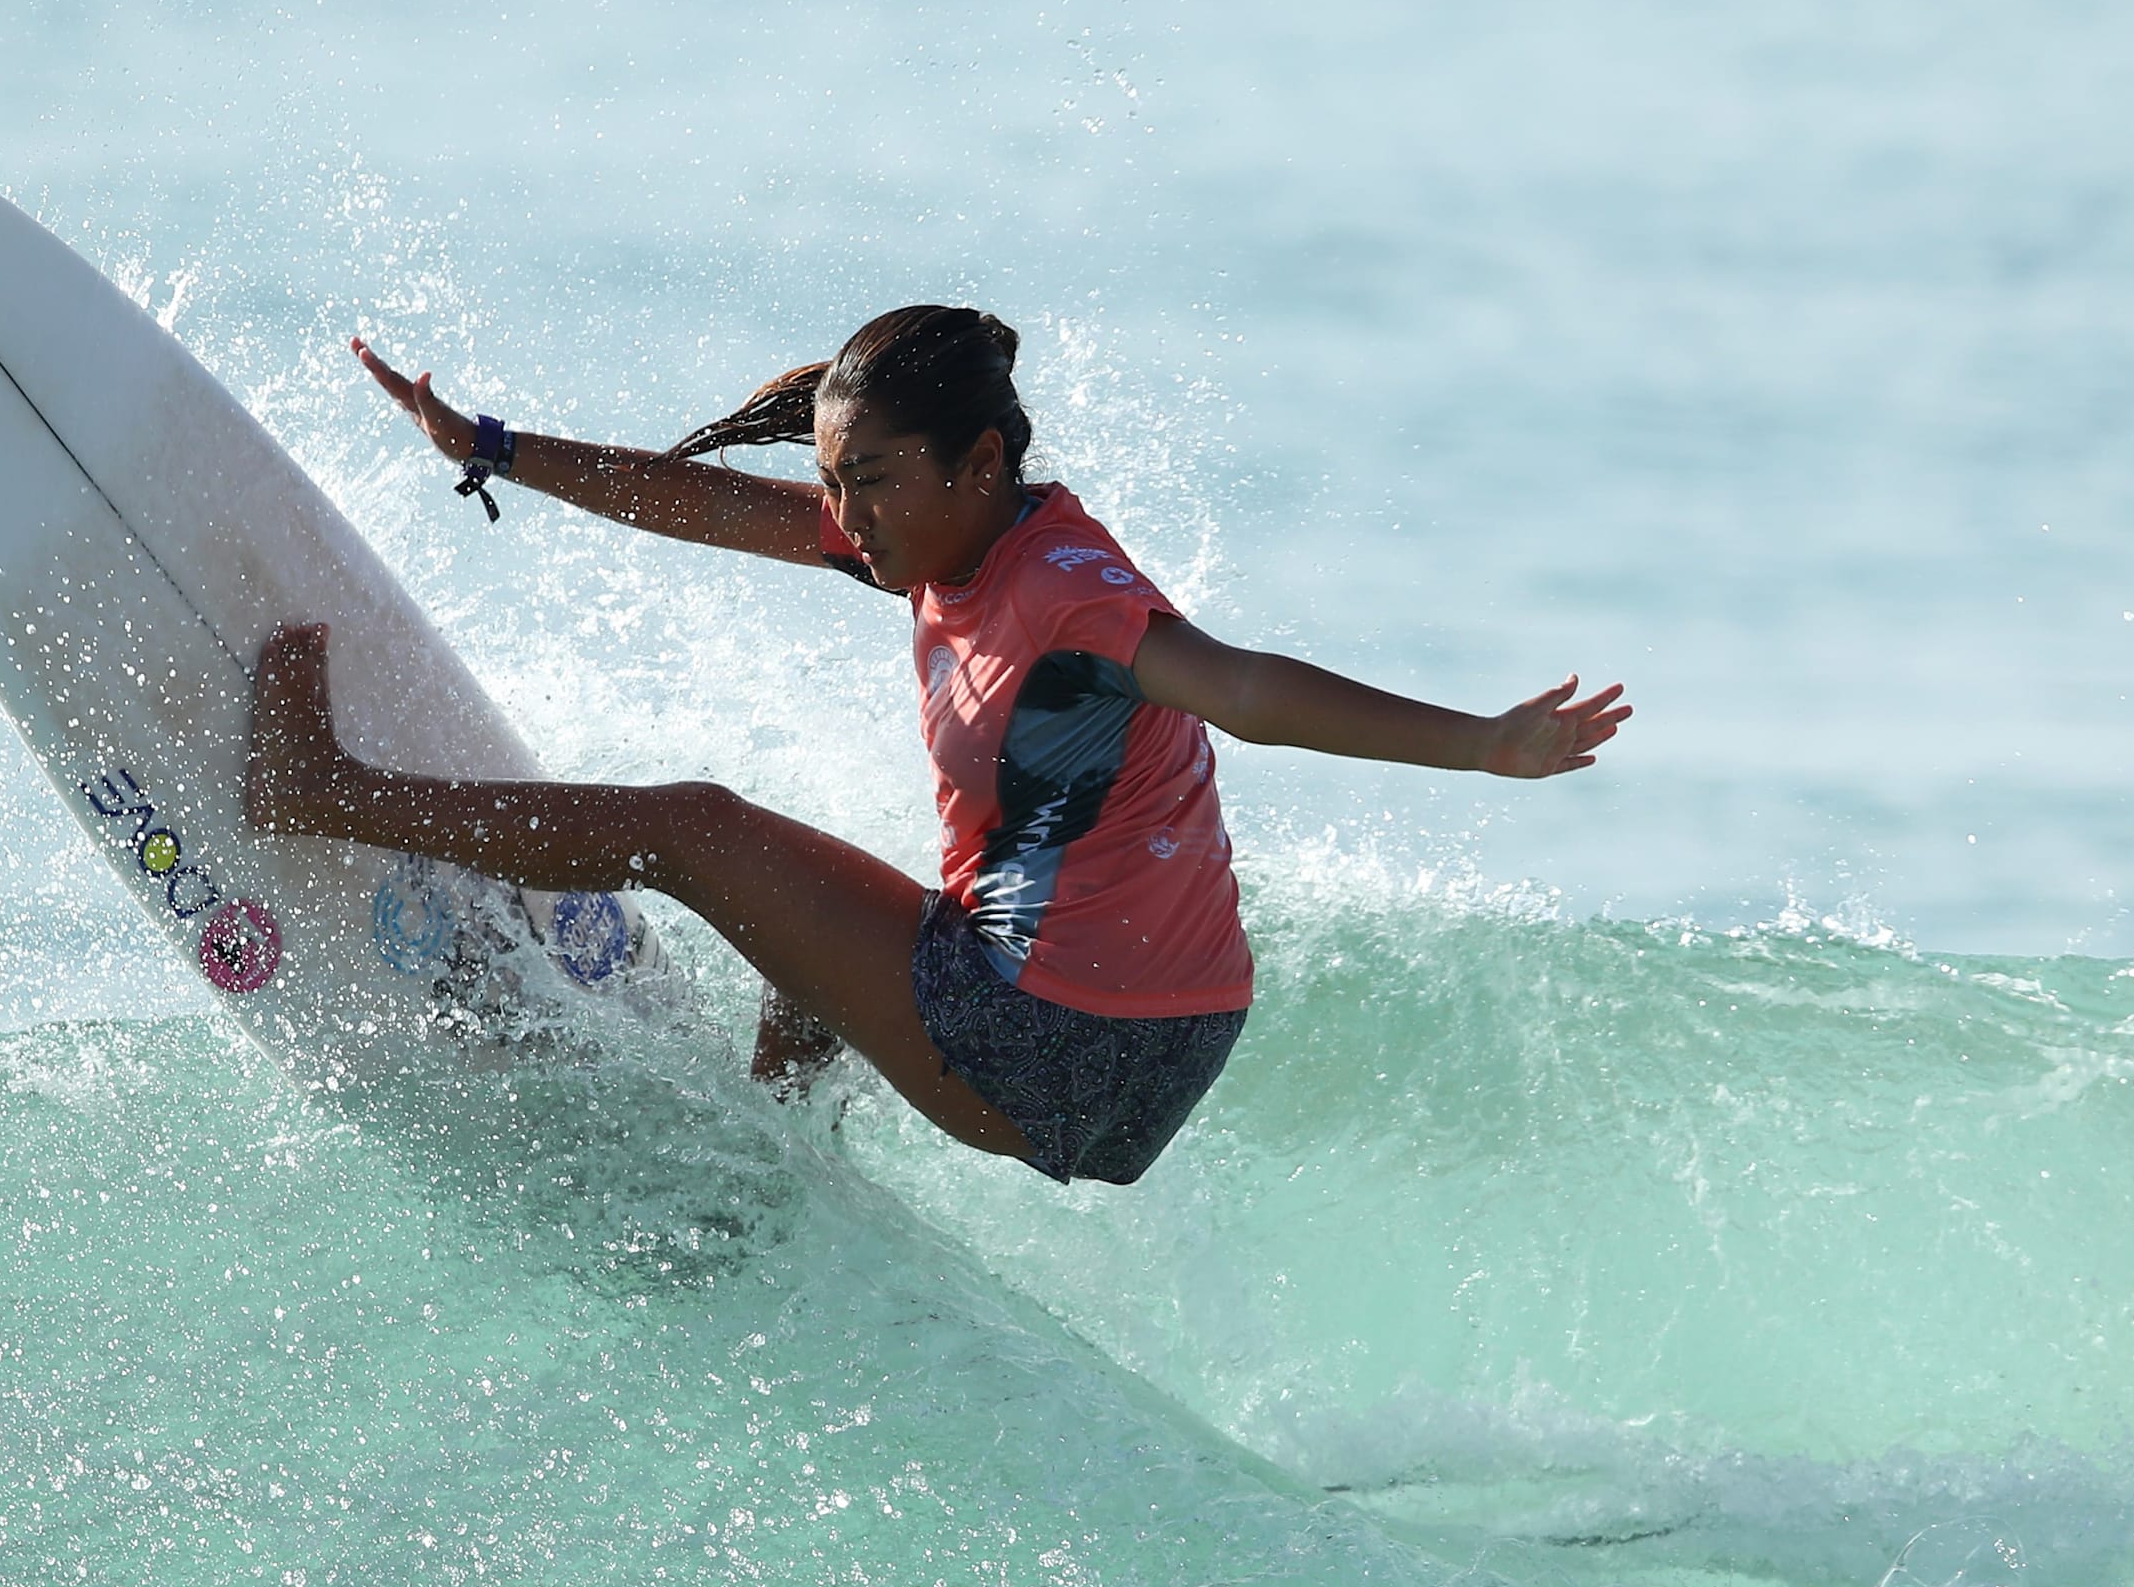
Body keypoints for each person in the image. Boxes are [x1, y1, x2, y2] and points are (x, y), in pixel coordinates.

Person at [245, 305, 1627, 1185]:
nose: (847, 514)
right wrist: (488, 442)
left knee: (697, 828)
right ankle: (784, 1171)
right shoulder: (953, 536)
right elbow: (708, 508)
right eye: (833, 480)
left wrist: (1484, 746)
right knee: (812, 929)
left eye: (873, 482)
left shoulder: (1064, 595)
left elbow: (1247, 691)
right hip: (1152, 1037)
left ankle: (319, 792)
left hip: (1063, 1051)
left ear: (977, 462)